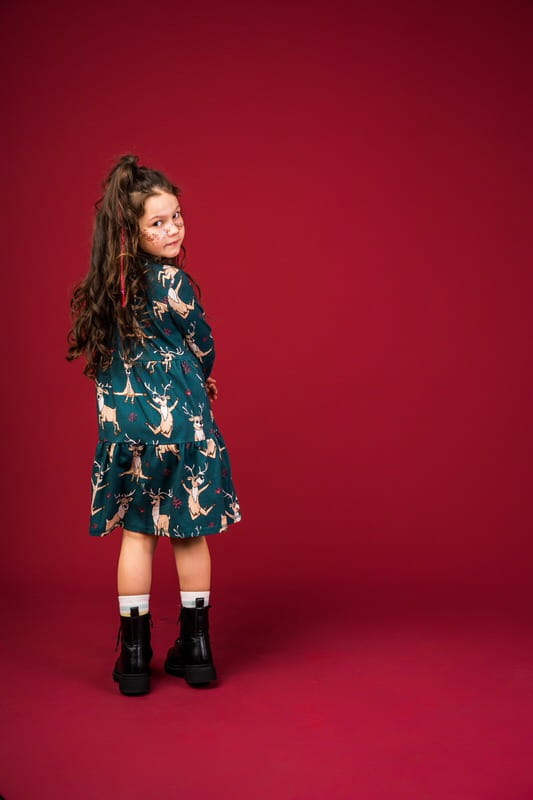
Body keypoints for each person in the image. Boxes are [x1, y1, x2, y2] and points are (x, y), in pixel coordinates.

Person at [67, 154, 243, 696]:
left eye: (177, 217)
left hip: (127, 431)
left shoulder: (105, 292)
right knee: (189, 536)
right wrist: (199, 379)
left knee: (138, 535)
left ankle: (135, 657)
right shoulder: (173, 282)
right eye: (158, 223)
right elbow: (203, 345)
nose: (172, 230)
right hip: (184, 429)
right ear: (132, 232)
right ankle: (197, 650)